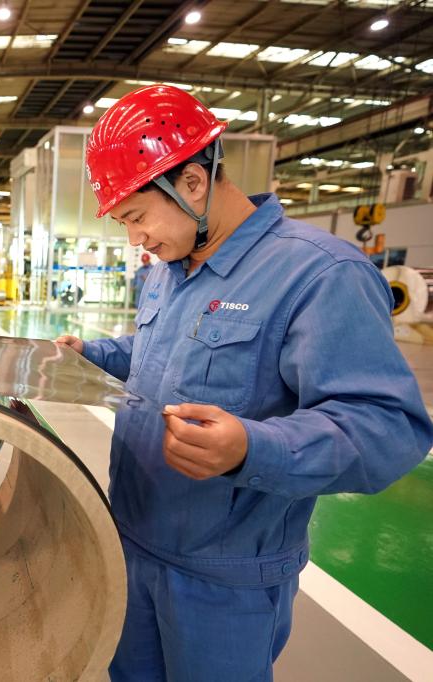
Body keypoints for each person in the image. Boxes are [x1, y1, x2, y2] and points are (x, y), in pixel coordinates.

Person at [55, 84, 432, 681]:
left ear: (192, 183)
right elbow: (159, 354)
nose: (135, 239)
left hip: (222, 583)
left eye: (137, 217)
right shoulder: (172, 268)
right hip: (130, 545)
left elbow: (387, 428)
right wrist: (94, 354)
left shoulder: (320, 274)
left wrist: (252, 449)